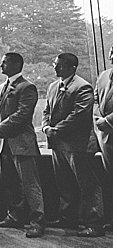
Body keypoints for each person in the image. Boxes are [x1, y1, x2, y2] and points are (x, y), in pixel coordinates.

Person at [41, 52, 104, 237]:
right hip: (58, 144)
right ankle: (68, 218)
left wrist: (57, 129)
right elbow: (46, 110)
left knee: (87, 185)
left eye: (59, 65)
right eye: (54, 63)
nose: (55, 67)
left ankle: (95, 223)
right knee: (64, 183)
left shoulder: (83, 87)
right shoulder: (53, 87)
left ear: (71, 68)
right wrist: (46, 127)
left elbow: (79, 114)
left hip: (78, 145)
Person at [0, 52, 45, 238]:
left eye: (4, 62)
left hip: (22, 144)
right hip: (4, 144)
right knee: (11, 183)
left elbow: (22, 115)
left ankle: (37, 222)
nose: (0, 65)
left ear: (15, 64)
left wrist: (0, 128)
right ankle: (15, 216)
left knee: (30, 184)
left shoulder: (27, 87)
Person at [94, 46, 112, 174]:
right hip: (105, 136)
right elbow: (95, 100)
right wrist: (98, 119)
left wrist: (108, 121)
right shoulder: (103, 76)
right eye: (111, 51)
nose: (111, 55)